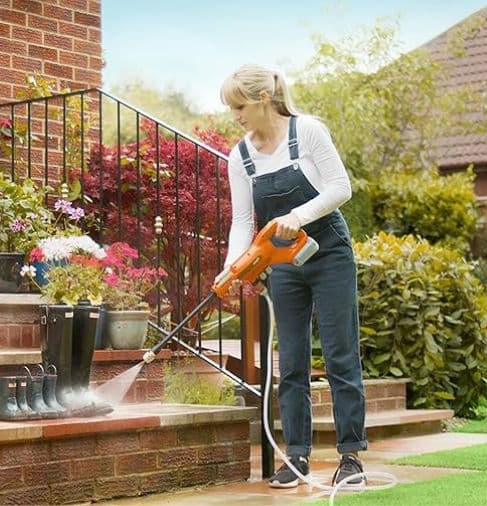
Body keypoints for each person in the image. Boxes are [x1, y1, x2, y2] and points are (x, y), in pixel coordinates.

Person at [218, 64, 367, 489]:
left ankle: (351, 456)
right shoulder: (240, 156)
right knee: (293, 360)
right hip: (283, 262)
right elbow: (243, 222)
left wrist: (296, 216)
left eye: (240, 106)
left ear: (263, 98)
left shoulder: (308, 132)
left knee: (340, 353)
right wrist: (233, 266)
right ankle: (297, 456)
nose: (236, 115)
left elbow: (340, 187)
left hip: (328, 252)